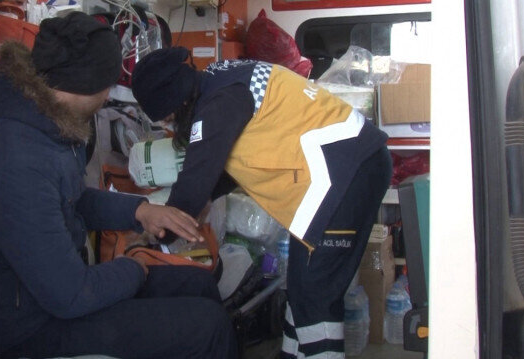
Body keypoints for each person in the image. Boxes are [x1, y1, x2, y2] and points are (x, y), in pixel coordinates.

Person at [0, 13, 237, 359]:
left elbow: (71, 201)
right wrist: (130, 270)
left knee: (199, 283)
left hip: (47, 298)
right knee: (208, 325)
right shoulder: (13, 158)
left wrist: (141, 211)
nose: (108, 96)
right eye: (108, 85)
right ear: (83, 85)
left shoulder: (41, 124)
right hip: (21, 330)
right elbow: (70, 295)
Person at [131, 47, 392, 359]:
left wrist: (154, 235)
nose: (168, 126)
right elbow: (223, 166)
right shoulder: (220, 81)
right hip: (352, 167)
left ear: (177, 98)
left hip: (344, 175)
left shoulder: (216, 105)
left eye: (168, 117)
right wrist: (207, 197)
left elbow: (191, 186)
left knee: (315, 298)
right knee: (300, 284)